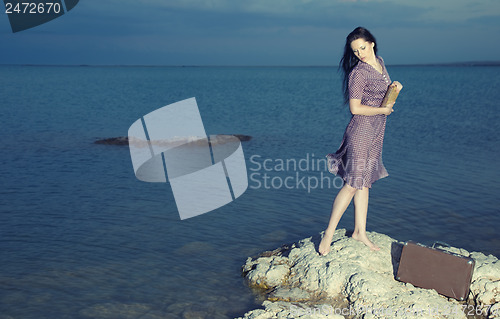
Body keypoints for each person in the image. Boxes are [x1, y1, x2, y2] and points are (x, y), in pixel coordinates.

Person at [318, 27, 402, 256]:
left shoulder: (381, 63)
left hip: (376, 130)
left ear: (372, 44)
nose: (360, 53)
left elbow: (378, 97)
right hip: (361, 132)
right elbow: (355, 108)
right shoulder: (359, 73)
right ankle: (328, 233)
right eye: (355, 51)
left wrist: (393, 90)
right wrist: (383, 109)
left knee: (364, 183)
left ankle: (360, 232)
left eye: (362, 48)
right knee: (352, 184)